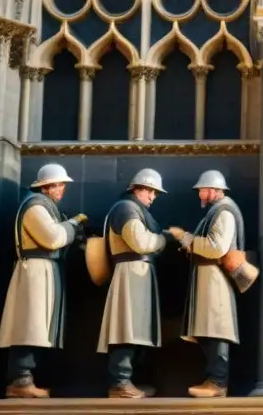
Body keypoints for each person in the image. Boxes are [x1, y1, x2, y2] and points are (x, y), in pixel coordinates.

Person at [0, 163, 87, 398]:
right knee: (29, 324)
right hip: (34, 270)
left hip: (45, 270)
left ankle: (25, 379)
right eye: (59, 186)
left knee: (38, 326)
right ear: (47, 186)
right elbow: (52, 238)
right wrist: (72, 223)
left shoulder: (45, 207)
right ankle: (20, 379)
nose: (62, 190)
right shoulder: (35, 207)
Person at [97, 169, 180, 398]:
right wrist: (164, 239)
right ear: (138, 189)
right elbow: (140, 241)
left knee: (137, 329)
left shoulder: (134, 209)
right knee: (128, 328)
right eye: (150, 191)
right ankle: (120, 382)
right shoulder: (127, 208)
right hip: (131, 271)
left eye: (154, 192)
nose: (153, 197)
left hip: (139, 272)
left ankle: (127, 380)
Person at [177, 170, 246, 398]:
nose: (200, 195)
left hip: (215, 278)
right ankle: (215, 379)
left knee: (216, 329)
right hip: (208, 278)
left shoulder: (223, 212)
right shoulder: (218, 210)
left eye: (202, 191)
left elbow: (217, 247)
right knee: (209, 329)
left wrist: (186, 239)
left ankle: (217, 381)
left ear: (214, 190)